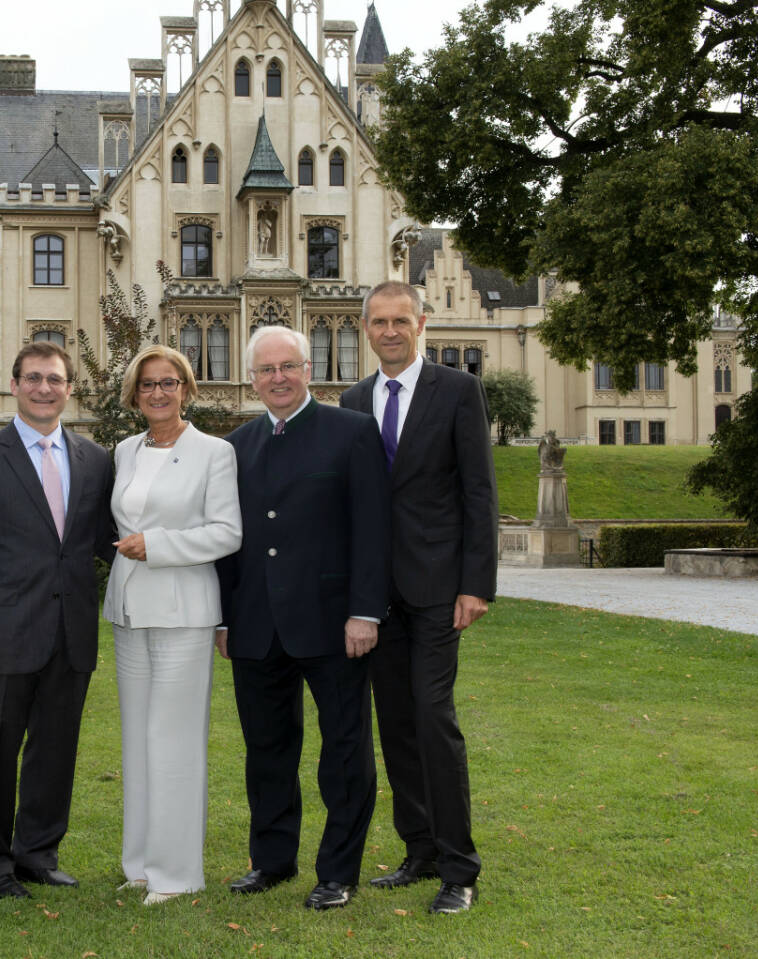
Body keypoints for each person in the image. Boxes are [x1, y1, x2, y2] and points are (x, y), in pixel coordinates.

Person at [215, 326, 391, 911]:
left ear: (309, 369)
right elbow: (230, 540)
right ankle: (271, 861)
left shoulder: (353, 432)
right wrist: (223, 619)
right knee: (267, 750)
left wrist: (365, 611)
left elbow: (372, 529)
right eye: (266, 370)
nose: (278, 378)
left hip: (334, 624)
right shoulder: (236, 445)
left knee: (344, 751)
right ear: (253, 378)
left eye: (287, 366)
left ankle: (338, 871)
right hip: (256, 626)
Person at [340, 280, 498, 914]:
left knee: (434, 720)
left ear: (421, 322)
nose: (389, 331)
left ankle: (460, 870)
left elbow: (479, 494)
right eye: (378, 322)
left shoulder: (458, 391)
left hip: (438, 589)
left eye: (399, 320)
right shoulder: (353, 400)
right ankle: (419, 851)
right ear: (366, 329)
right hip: (378, 595)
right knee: (397, 724)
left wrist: (475, 584)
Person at [0, 341, 115, 899]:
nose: (45, 388)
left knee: (55, 750)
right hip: (1, 636)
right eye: (34, 378)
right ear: (15, 385)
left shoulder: (95, 460)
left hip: (71, 633)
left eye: (56, 379)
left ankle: (37, 852)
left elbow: (106, 542)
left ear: (70, 389)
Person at [102, 345, 241, 905]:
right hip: (128, 610)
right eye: (147, 385)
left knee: (174, 739)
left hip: (184, 609)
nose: (158, 393)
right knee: (137, 737)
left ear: (187, 388)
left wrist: (155, 545)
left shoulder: (215, 452)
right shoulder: (125, 450)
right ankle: (139, 864)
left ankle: (177, 874)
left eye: (169, 383)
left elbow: (227, 533)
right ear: (134, 396)